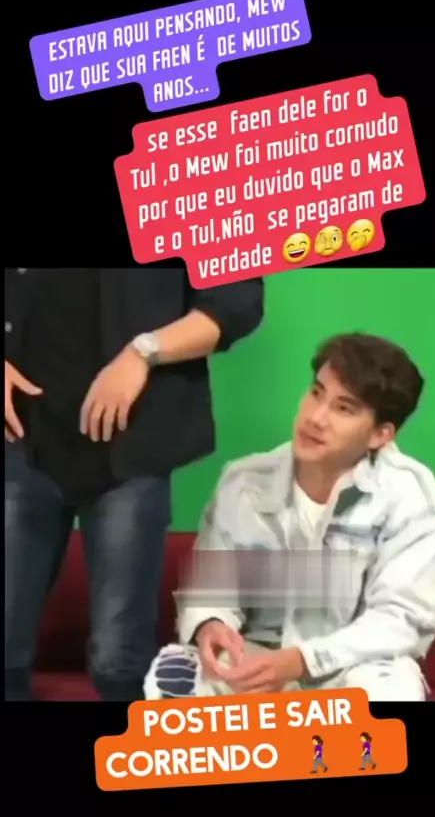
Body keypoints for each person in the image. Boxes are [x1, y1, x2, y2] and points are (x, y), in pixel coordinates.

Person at [145, 332, 435, 703]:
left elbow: (400, 619)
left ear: (380, 434)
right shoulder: (244, 482)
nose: (316, 417)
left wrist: (303, 660)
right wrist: (211, 625)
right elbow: (210, 591)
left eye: (344, 409)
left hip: (352, 667)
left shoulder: (411, 495)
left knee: (389, 691)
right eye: (316, 393)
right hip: (258, 659)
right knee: (176, 675)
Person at [4, 267, 264, 702]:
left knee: (118, 659)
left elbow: (236, 302)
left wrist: (143, 352)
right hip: (19, 436)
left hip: (133, 442)